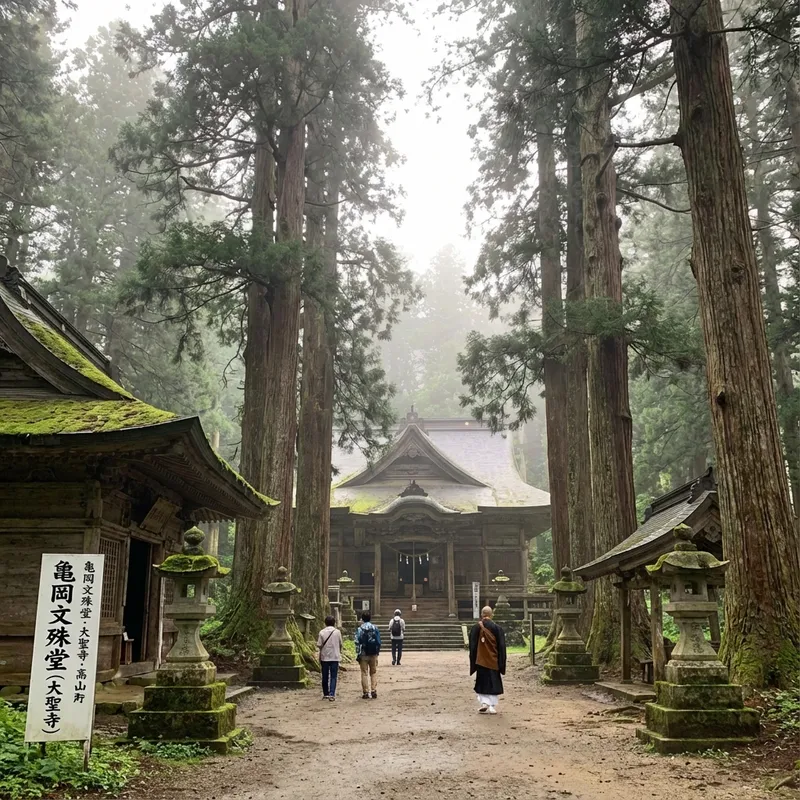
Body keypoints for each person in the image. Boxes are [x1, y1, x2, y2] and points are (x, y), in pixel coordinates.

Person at [469, 606, 507, 714]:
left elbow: (472, 646)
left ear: (482, 614)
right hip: (493, 661)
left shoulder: (476, 627)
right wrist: (501, 662)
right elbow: (501, 647)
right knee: (493, 682)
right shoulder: (497, 628)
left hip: (481, 660)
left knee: (482, 681)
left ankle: (484, 703)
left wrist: (474, 660)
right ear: (491, 615)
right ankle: (492, 706)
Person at [355, 611, 381, 699]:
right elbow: (378, 641)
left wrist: (358, 654)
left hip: (363, 653)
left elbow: (357, 641)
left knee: (364, 672)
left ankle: (365, 692)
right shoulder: (375, 628)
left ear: (362, 619)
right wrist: (377, 652)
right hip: (373, 653)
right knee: (373, 672)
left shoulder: (360, 629)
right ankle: (373, 690)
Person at [317, 615, 343, 701]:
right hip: (335, 656)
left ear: (325, 623)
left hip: (325, 657)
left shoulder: (321, 632)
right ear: (334, 623)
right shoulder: (337, 632)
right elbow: (340, 644)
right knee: (333, 676)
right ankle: (332, 693)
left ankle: (326, 693)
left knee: (325, 676)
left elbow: (319, 645)